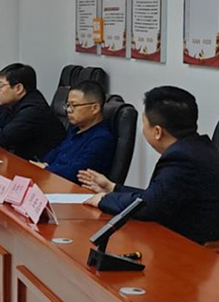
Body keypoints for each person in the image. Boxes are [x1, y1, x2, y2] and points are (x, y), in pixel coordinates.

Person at [80, 86, 219, 245]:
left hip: (192, 249)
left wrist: (104, 199)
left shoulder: (182, 159)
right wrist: (113, 187)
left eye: (144, 123)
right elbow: (157, 196)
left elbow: (147, 206)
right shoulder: (198, 147)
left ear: (158, 132)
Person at [0, 63, 65, 161]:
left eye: (1, 86)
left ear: (19, 88)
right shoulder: (14, 104)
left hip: (43, 165)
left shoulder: (33, 110)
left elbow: (5, 137)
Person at [37, 81, 115, 184]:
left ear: (95, 108)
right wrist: (44, 163)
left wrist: (46, 169)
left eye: (74, 105)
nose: (69, 110)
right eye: (68, 105)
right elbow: (58, 150)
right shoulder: (76, 129)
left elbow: (76, 172)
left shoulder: (101, 139)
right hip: (53, 179)